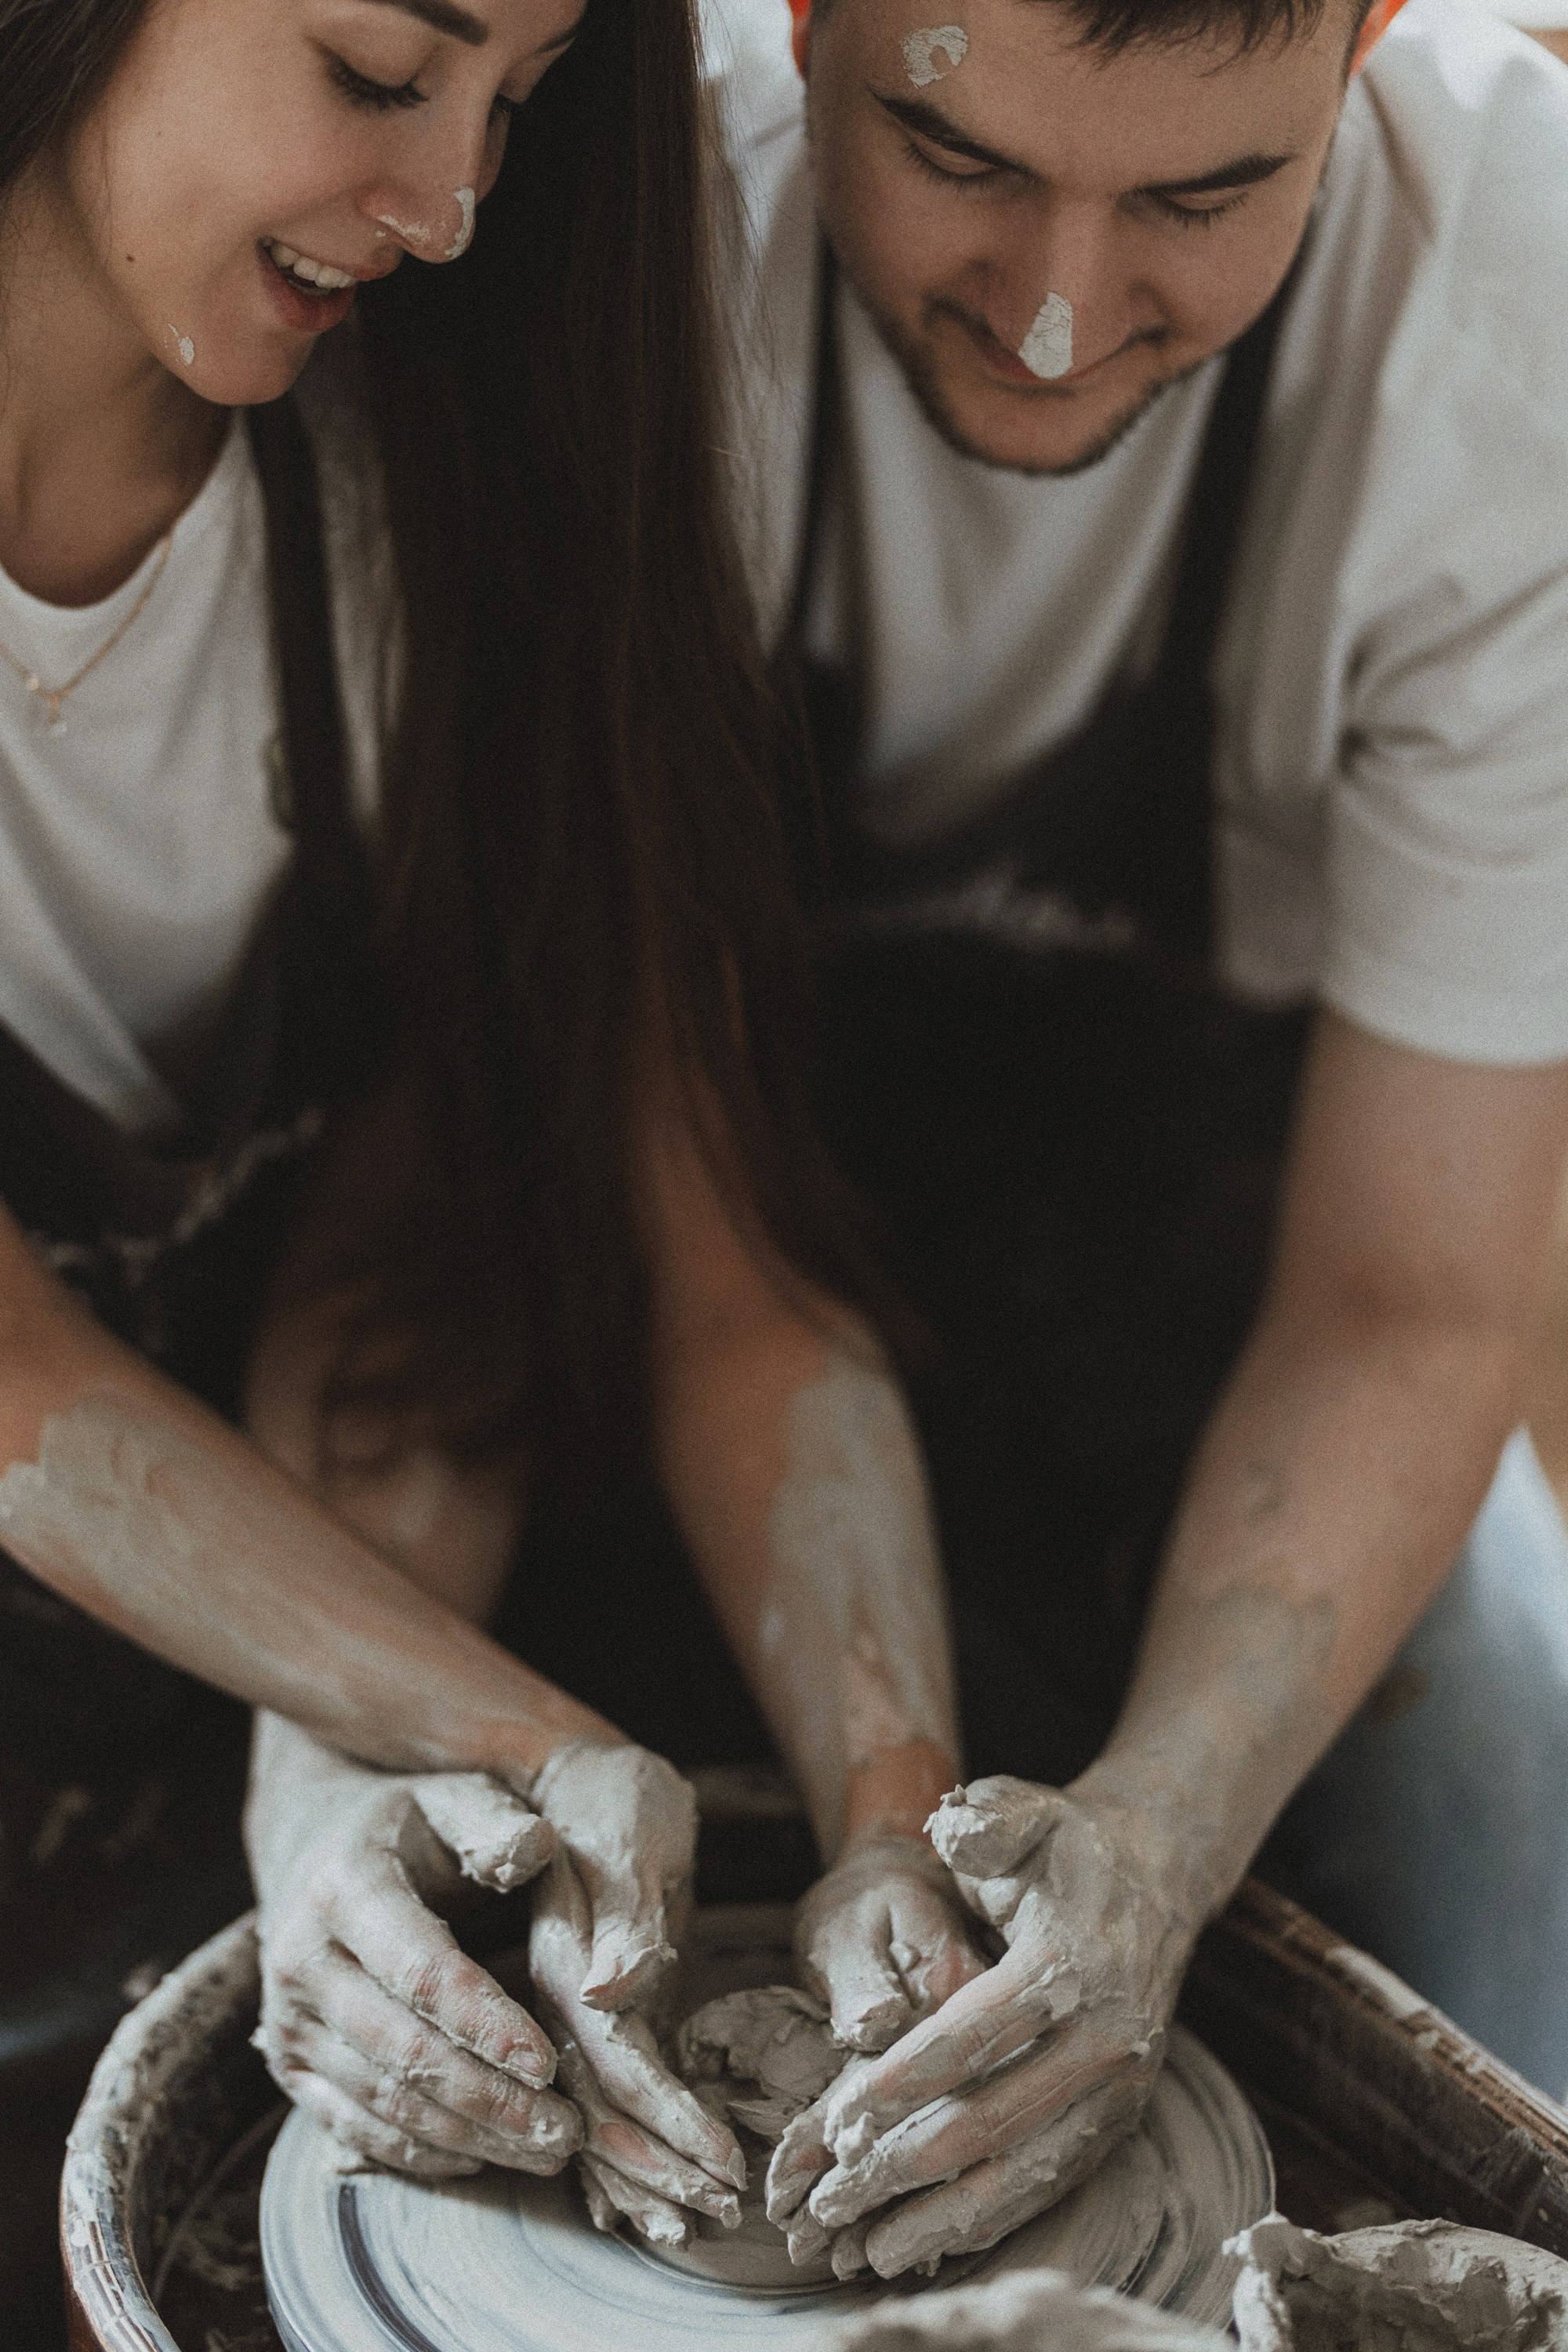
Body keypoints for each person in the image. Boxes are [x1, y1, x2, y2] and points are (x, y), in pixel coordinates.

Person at [0, 0, 982, 2325]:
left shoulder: (412, 468)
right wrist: (508, 1731)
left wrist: (889, 1826)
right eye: (374, 68)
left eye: (518, 112)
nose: (452, 209)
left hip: (236, 1664)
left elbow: (479, 1229)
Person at [682, 0, 1568, 2285]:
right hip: (684, 1320)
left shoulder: (1514, 305)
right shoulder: (640, 231)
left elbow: (1418, 1293)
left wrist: (1156, 1854)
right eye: (954, 152)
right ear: (803, 15)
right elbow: (683, 1232)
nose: (1063, 315)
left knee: (1521, 2011)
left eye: (1202, 197)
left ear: (1375, 31)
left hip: (1245, 1323)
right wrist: (886, 1795)